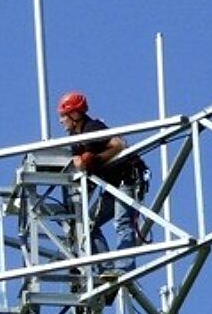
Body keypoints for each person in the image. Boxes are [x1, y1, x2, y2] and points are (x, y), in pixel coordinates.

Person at [56, 91, 149, 264]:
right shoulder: (75, 139)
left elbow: (118, 145)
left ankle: (123, 268)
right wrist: (83, 163)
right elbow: (79, 162)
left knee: (122, 222)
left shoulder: (93, 128)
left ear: (75, 114)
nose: (61, 121)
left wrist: (96, 159)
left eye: (63, 116)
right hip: (111, 184)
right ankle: (107, 269)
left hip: (127, 179)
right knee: (88, 225)